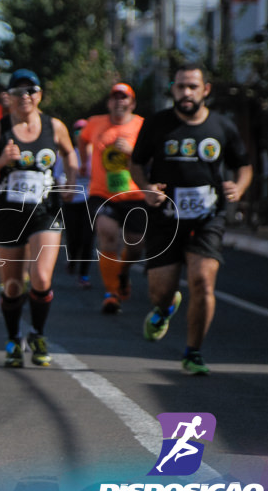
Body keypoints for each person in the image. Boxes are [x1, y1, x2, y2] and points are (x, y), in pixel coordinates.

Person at [131, 63, 252, 376]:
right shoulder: (158, 124)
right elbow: (136, 163)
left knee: (202, 281)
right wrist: (146, 189)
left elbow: (245, 166)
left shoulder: (222, 127)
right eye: (181, 86)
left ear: (205, 90)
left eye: (192, 87)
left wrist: (237, 188)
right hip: (164, 218)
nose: (186, 93)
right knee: (160, 291)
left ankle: (193, 352)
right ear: (173, 89)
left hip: (207, 217)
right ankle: (164, 308)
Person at [0, 69, 78, 368]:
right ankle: (13, 338)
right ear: (8, 98)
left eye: (31, 91)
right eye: (18, 92)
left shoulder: (53, 126)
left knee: (41, 277)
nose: (25, 97)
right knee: (12, 287)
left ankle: (38, 333)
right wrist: (2, 161)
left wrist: (71, 180)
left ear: (40, 94)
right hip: (9, 212)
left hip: (46, 210)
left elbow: (70, 153)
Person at [79, 82, 147, 314]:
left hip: (134, 193)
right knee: (106, 234)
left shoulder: (142, 126)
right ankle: (111, 293)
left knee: (136, 245)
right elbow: (82, 140)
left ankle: (123, 274)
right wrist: (82, 162)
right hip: (102, 193)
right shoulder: (95, 123)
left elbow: (152, 158)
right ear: (109, 102)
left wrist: (131, 151)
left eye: (124, 98)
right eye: (115, 97)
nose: (119, 102)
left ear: (132, 103)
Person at [62, 119, 95, 289]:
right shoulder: (69, 154)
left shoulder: (97, 154)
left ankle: (84, 274)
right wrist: (65, 189)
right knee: (73, 237)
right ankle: (73, 259)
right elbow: (59, 175)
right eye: (77, 132)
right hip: (72, 200)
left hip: (91, 201)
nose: (81, 134)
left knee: (88, 238)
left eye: (84, 131)